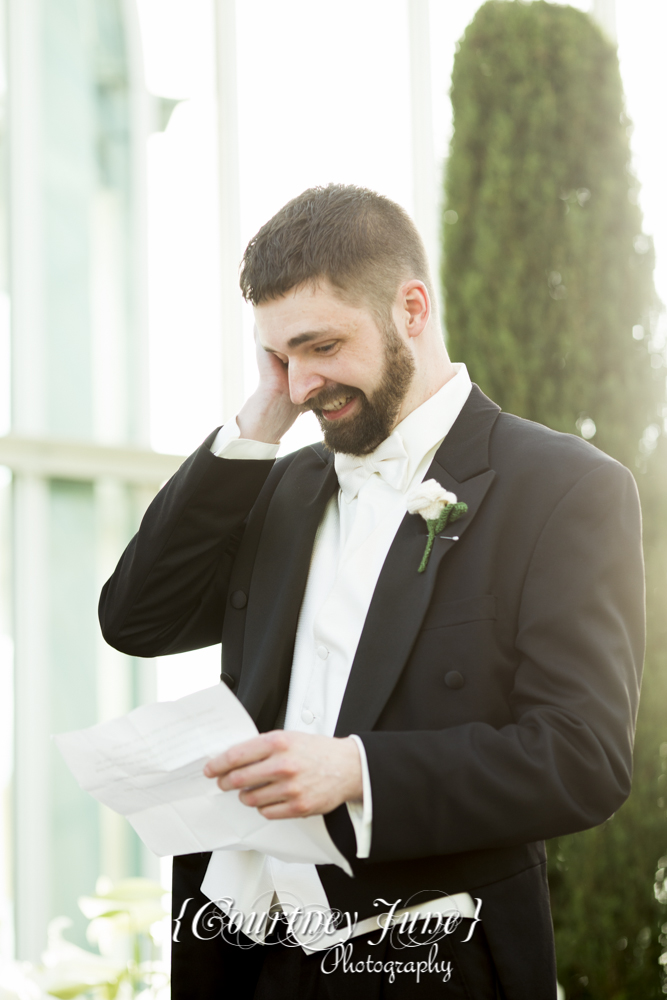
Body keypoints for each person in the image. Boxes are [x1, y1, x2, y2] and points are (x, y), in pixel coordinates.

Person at [99, 184, 644, 999]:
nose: (305, 382)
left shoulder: (563, 488)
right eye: (281, 356)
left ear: (411, 309)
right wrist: (255, 426)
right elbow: (137, 618)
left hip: (430, 962)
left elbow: (582, 758)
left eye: (322, 345)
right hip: (243, 960)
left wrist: (358, 771)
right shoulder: (279, 485)